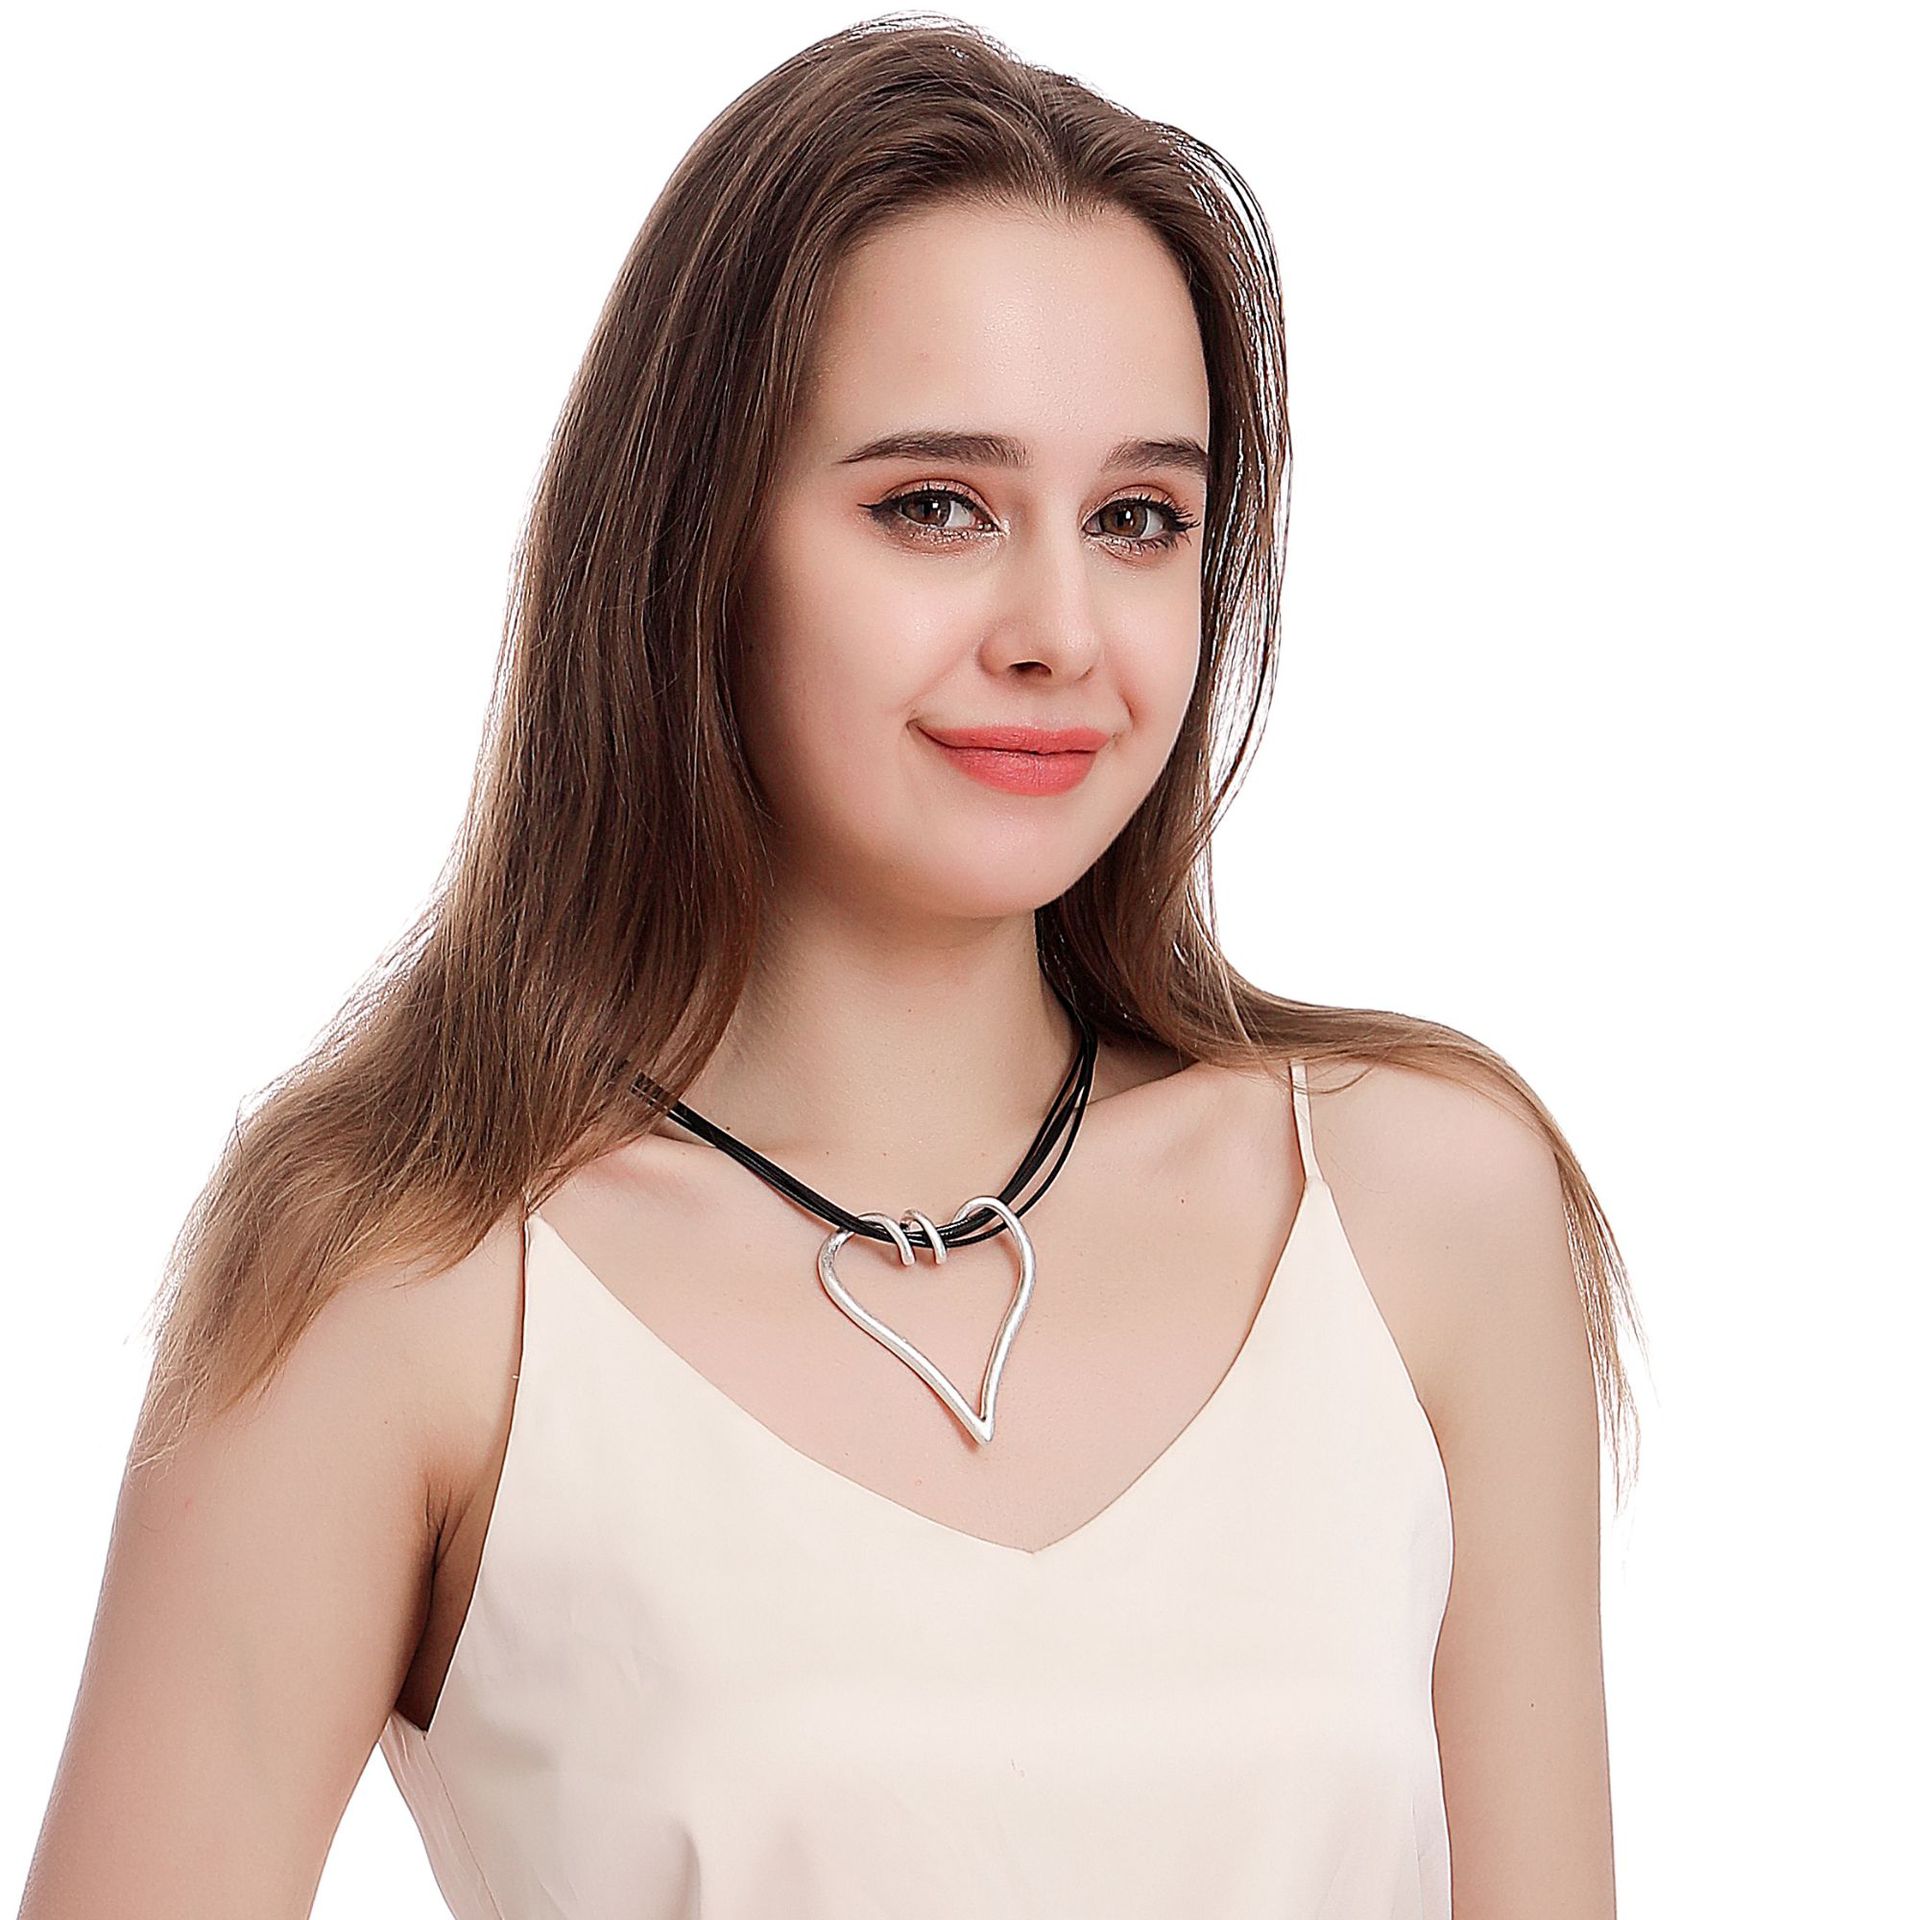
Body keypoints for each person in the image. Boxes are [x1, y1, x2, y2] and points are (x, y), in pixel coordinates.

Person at [20, 16, 1643, 1918]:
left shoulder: (1423, 1210)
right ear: (695, 544)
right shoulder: (410, 1279)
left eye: (1139, 518)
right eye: (933, 506)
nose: (1061, 629)